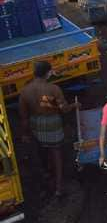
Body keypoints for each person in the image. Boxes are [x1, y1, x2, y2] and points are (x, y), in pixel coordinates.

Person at [19, 61, 79, 198]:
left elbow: (24, 117)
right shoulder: (53, 89)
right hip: (52, 123)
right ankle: (58, 187)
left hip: (36, 125)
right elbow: (64, 110)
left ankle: (46, 178)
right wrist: (74, 105)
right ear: (48, 73)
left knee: (43, 150)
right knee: (56, 152)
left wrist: (25, 134)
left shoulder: (25, 91)